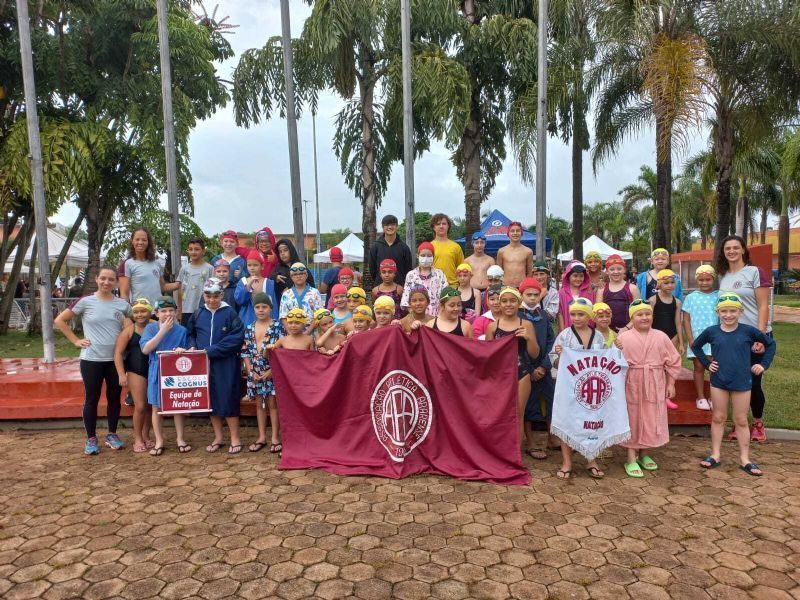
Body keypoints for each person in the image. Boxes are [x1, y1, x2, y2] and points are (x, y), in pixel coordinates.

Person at [692, 293, 776, 476]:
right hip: (719, 381)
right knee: (718, 417)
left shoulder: (748, 331)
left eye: (732, 311)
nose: (728, 315)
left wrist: (763, 365)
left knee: (741, 420)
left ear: (740, 312)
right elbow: (696, 346)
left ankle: (745, 458)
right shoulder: (712, 331)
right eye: (724, 311)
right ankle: (715, 454)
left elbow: (770, 344)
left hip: (742, 382)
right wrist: (707, 364)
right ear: (718, 312)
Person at [55, 266, 133, 455]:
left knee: (114, 398)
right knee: (92, 398)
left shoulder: (122, 304)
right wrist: (76, 340)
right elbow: (59, 320)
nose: (107, 282)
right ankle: (91, 438)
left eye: (111, 279)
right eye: (103, 278)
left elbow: (137, 321)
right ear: (97, 279)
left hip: (115, 360)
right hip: (91, 359)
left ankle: (112, 434)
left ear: (116, 282)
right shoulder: (85, 301)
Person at [617, 299, 683, 478]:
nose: (644, 317)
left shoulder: (661, 336)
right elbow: (614, 363)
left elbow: (674, 361)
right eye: (639, 314)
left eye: (647, 314)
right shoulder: (623, 338)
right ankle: (631, 457)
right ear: (632, 317)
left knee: (650, 416)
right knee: (632, 417)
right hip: (631, 382)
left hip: (654, 382)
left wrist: (671, 383)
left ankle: (644, 454)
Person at [717, 234, 772, 442]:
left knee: (753, 381)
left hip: (753, 335)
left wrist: (760, 336)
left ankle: (758, 424)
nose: (731, 251)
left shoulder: (754, 272)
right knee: (733, 382)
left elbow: (763, 305)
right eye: (727, 248)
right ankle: (739, 423)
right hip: (731, 337)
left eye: (735, 247)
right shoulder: (723, 276)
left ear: (743, 250)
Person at [186, 278, 246, 454]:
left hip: (226, 362)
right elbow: (190, 333)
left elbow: (236, 338)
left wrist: (210, 350)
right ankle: (218, 437)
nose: (212, 299)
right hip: (203, 363)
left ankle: (235, 438)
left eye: (215, 295)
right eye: (208, 295)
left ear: (221, 294)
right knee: (210, 399)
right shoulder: (198, 313)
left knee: (228, 397)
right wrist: (193, 347)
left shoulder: (230, 313)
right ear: (203, 295)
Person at [552, 298, 607, 479]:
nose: (576, 318)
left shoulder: (598, 336)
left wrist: (618, 349)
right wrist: (560, 356)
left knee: (592, 424)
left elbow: (606, 361)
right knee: (567, 424)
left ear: (590, 316)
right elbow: (556, 363)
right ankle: (567, 462)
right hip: (569, 389)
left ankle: (591, 459)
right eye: (573, 314)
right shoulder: (564, 336)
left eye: (581, 314)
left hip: (592, 390)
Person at [487, 287, 538, 451]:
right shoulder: (493, 327)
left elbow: (534, 354)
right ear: (499, 304)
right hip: (500, 376)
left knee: (518, 415)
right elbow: (487, 356)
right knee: (498, 414)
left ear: (519, 303)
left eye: (512, 301)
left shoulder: (527, 324)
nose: (508, 304)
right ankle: (500, 451)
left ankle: (515, 454)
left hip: (521, 373)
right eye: (504, 301)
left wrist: (529, 338)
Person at [139, 296, 191, 456]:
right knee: (156, 406)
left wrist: (182, 351)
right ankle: (159, 440)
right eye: (163, 311)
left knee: (177, 406)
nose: (167, 314)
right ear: (156, 313)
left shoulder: (182, 330)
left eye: (171, 310)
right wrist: (162, 331)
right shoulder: (150, 329)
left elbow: (188, 349)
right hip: (156, 370)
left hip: (175, 372)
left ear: (176, 312)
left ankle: (180, 438)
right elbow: (145, 349)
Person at [517, 279, 556, 459]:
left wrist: (544, 366)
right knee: (528, 405)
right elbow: (519, 346)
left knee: (551, 401)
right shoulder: (518, 316)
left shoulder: (544, 316)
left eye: (536, 294)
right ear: (522, 295)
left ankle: (551, 437)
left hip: (544, 368)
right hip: (527, 370)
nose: (532, 298)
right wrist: (531, 369)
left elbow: (551, 342)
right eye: (528, 295)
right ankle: (530, 441)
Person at [241, 292, 284, 454]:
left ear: (271, 308)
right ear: (253, 309)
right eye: (257, 307)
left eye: (264, 307)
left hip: (272, 371)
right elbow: (245, 351)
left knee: (273, 404)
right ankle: (261, 437)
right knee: (259, 404)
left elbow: (283, 351)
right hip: (255, 373)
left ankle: (274, 437)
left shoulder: (278, 326)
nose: (261, 310)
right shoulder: (249, 327)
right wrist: (250, 370)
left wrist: (272, 371)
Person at [114, 298, 154, 453]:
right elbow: (117, 353)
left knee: (151, 406)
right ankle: (137, 438)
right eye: (136, 312)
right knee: (140, 406)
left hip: (153, 369)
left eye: (143, 311)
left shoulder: (155, 326)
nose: (139, 315)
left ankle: (146, 435)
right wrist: (120, 374)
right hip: (135, 371)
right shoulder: (130, 330)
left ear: (150, 311)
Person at [682, 264, 719, 411]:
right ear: (697, 280)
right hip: (698, 339)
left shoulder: (719, 296)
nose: (704, 283)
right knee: (698, 366)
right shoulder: (691, 298)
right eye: (701, 280)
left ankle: (713, 397)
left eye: (708, 279)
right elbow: (686, 320)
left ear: (713, 279)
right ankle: (701, 397)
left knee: (714, 368)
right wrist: (691, 340)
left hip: (715, 339)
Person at [118, 228, 179, 306]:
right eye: (137, 239)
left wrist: (179, 284)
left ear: (148, 242)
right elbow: (124, 294)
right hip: (141, 313)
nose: (140, 242)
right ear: (132, 242)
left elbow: (162, 286)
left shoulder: (156, 263)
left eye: (144, 240)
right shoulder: (127, 264)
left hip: (158, 312)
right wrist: (128, 314)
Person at [401, 242, 448, 316]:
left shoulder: (440, 274)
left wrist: (439, 316)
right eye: (423, 255)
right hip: (417, 318)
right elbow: (406, 299)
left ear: (433, 256)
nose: (426, 258)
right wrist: (416, 315)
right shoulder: (411, 275)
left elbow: (446, 297)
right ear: (418, 256)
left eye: (429, 255)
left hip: (437, 317)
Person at [596, 254, 639, 332]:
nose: (616, 272)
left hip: (629, 331)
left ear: (624, 270)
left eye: (619, 269)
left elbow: (638, 311)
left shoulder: (632, 288)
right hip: (607, 331)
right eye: (612, 269)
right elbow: (597, 313)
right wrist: (606, 330)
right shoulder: (602, 290)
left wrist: (627, 328)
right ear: (607, 271)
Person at [235, 251, 279, 325]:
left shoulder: (269, 283)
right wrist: (248, 285)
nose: (252, 268)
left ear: (262, 266)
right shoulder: (242, 282)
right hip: (247, 321)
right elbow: (240, 301)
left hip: (267, 322)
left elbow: (273, 304)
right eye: (249, 265)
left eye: (255, 265)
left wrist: (275, 323)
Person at [177, 238, 214, 325]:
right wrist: (179, 310)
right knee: (187, 336)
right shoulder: (184, 269)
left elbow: (213, 291)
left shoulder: (210, 269)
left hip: (204, 309)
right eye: (190, 249)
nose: (193, 252)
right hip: (186, 310)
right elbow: (180, 291)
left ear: (203, 251)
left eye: (197, 249)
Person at [369, 214, 413, 285]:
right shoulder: (375, 247)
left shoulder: (404, 248)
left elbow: (408, 270)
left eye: (392, 224)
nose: (390, 227)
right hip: (380, 288)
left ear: (397, 226)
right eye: (387, 225)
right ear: (383, 227)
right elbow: (372, 269)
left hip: (399, 288)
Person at [278, 262, 324, 328]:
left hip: (311, 332)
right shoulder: (286, 294)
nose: (298, 276)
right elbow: (283, 317)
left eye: (301, 273)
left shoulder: (315, 292)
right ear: (291, 277)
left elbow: (319, 314)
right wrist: (291, 333)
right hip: (293, 331)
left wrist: (308, 332)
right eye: (295, 274)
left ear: (306, 275)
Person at [649, 269, 683, 358]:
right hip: (656, 336)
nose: (670, 285)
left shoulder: (677, 302)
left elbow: (678, 323)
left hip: (673, 336)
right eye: (666, 283)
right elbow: (649, 321)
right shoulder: (653, 300)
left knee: (670, 362)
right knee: (657, 361)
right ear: (659, 284)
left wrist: (681, 342)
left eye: (672, 282)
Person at [430, 213, 465, 286]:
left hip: (453, 286)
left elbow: (461, 269)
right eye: (438, 224)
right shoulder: (429, 246)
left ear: (448, 226)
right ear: (433, 227)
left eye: (444, 224)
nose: (441, 226)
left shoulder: (456, 247)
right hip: (433, 287)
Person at [557, 261, 592, 332]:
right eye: (575, 276)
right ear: (568, 276)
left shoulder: (589, 292)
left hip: (586, 330)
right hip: (568, 330)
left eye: (581, 276)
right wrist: (563, 331)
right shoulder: (561, 293)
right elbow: (560, 314)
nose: (578, 279)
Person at [496, 221, 533, 289]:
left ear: (521, 233)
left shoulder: (528, 251)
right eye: (512, 231)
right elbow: (499, 272)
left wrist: (526, 286)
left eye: (518, 231)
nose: (515, 233)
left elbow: (529, 273)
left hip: (522, 287)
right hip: (506, 287)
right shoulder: (501, 251)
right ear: (508, 234)